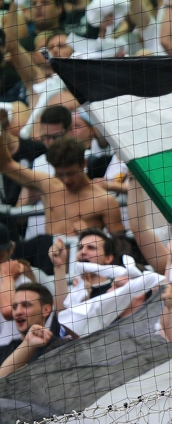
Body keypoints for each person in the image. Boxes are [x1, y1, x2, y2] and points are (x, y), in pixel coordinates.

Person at [0, 136, 123, 270]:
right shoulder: (48, 185)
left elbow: (119, 247)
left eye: (71, 173)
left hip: (81, 270)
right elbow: (6, 165)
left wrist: (89, 234)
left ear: (84, 164)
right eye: (60, 174)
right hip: (45, 264)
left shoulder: (104, 201)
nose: (66, 180)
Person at [0, 283, 59, 377]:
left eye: (26, 305)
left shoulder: (61, 347)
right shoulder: (4, 351)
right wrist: (28, 344)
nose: (18, 312)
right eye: (15, 307)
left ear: (46, 310)